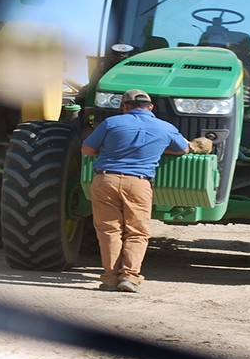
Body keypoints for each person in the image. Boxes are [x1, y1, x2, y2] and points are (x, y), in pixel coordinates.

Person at [81, 89, 189, 293]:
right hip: (139, 184)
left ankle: (110, 279)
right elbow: (183, 149)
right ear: (150, 107)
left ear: (125, 106)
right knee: (137, 232)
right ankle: (129, 278)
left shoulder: (111, 123)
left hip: (106, 179)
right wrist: (159, 147)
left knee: (109, 231)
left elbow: (87, 150)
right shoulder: (165, 128)